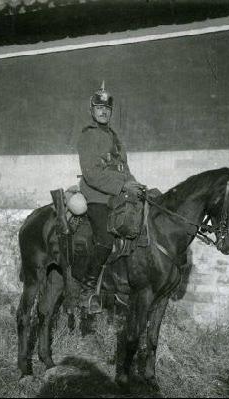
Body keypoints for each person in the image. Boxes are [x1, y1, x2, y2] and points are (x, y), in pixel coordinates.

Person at [77, 82, 144, 295]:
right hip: (96, 196)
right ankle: (87, 287)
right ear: (92, 111)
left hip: (118, 195)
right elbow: (91, 173)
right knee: (105, 239)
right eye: (99, 108)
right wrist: (122, 185)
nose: (103, 112)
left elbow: (125, 170)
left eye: (107, 109)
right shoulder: (88, 135)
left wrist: (135, 185)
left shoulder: (116, 139)